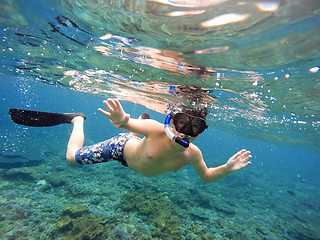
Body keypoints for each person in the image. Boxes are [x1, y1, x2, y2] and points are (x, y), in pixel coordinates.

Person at [65, 98, 252, 182]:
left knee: (136, 135)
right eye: (181, 123)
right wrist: (122, 120)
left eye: (195, 126)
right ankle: (77, 119)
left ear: (201, 132)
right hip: (119, 149)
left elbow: (207, 176)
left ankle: (139, 128)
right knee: (72, 158)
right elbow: (124, 123)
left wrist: (227, 169)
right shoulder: (156, 130)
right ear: (171, 122)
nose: (186, 132)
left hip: (136, 155)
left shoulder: (193, 154)